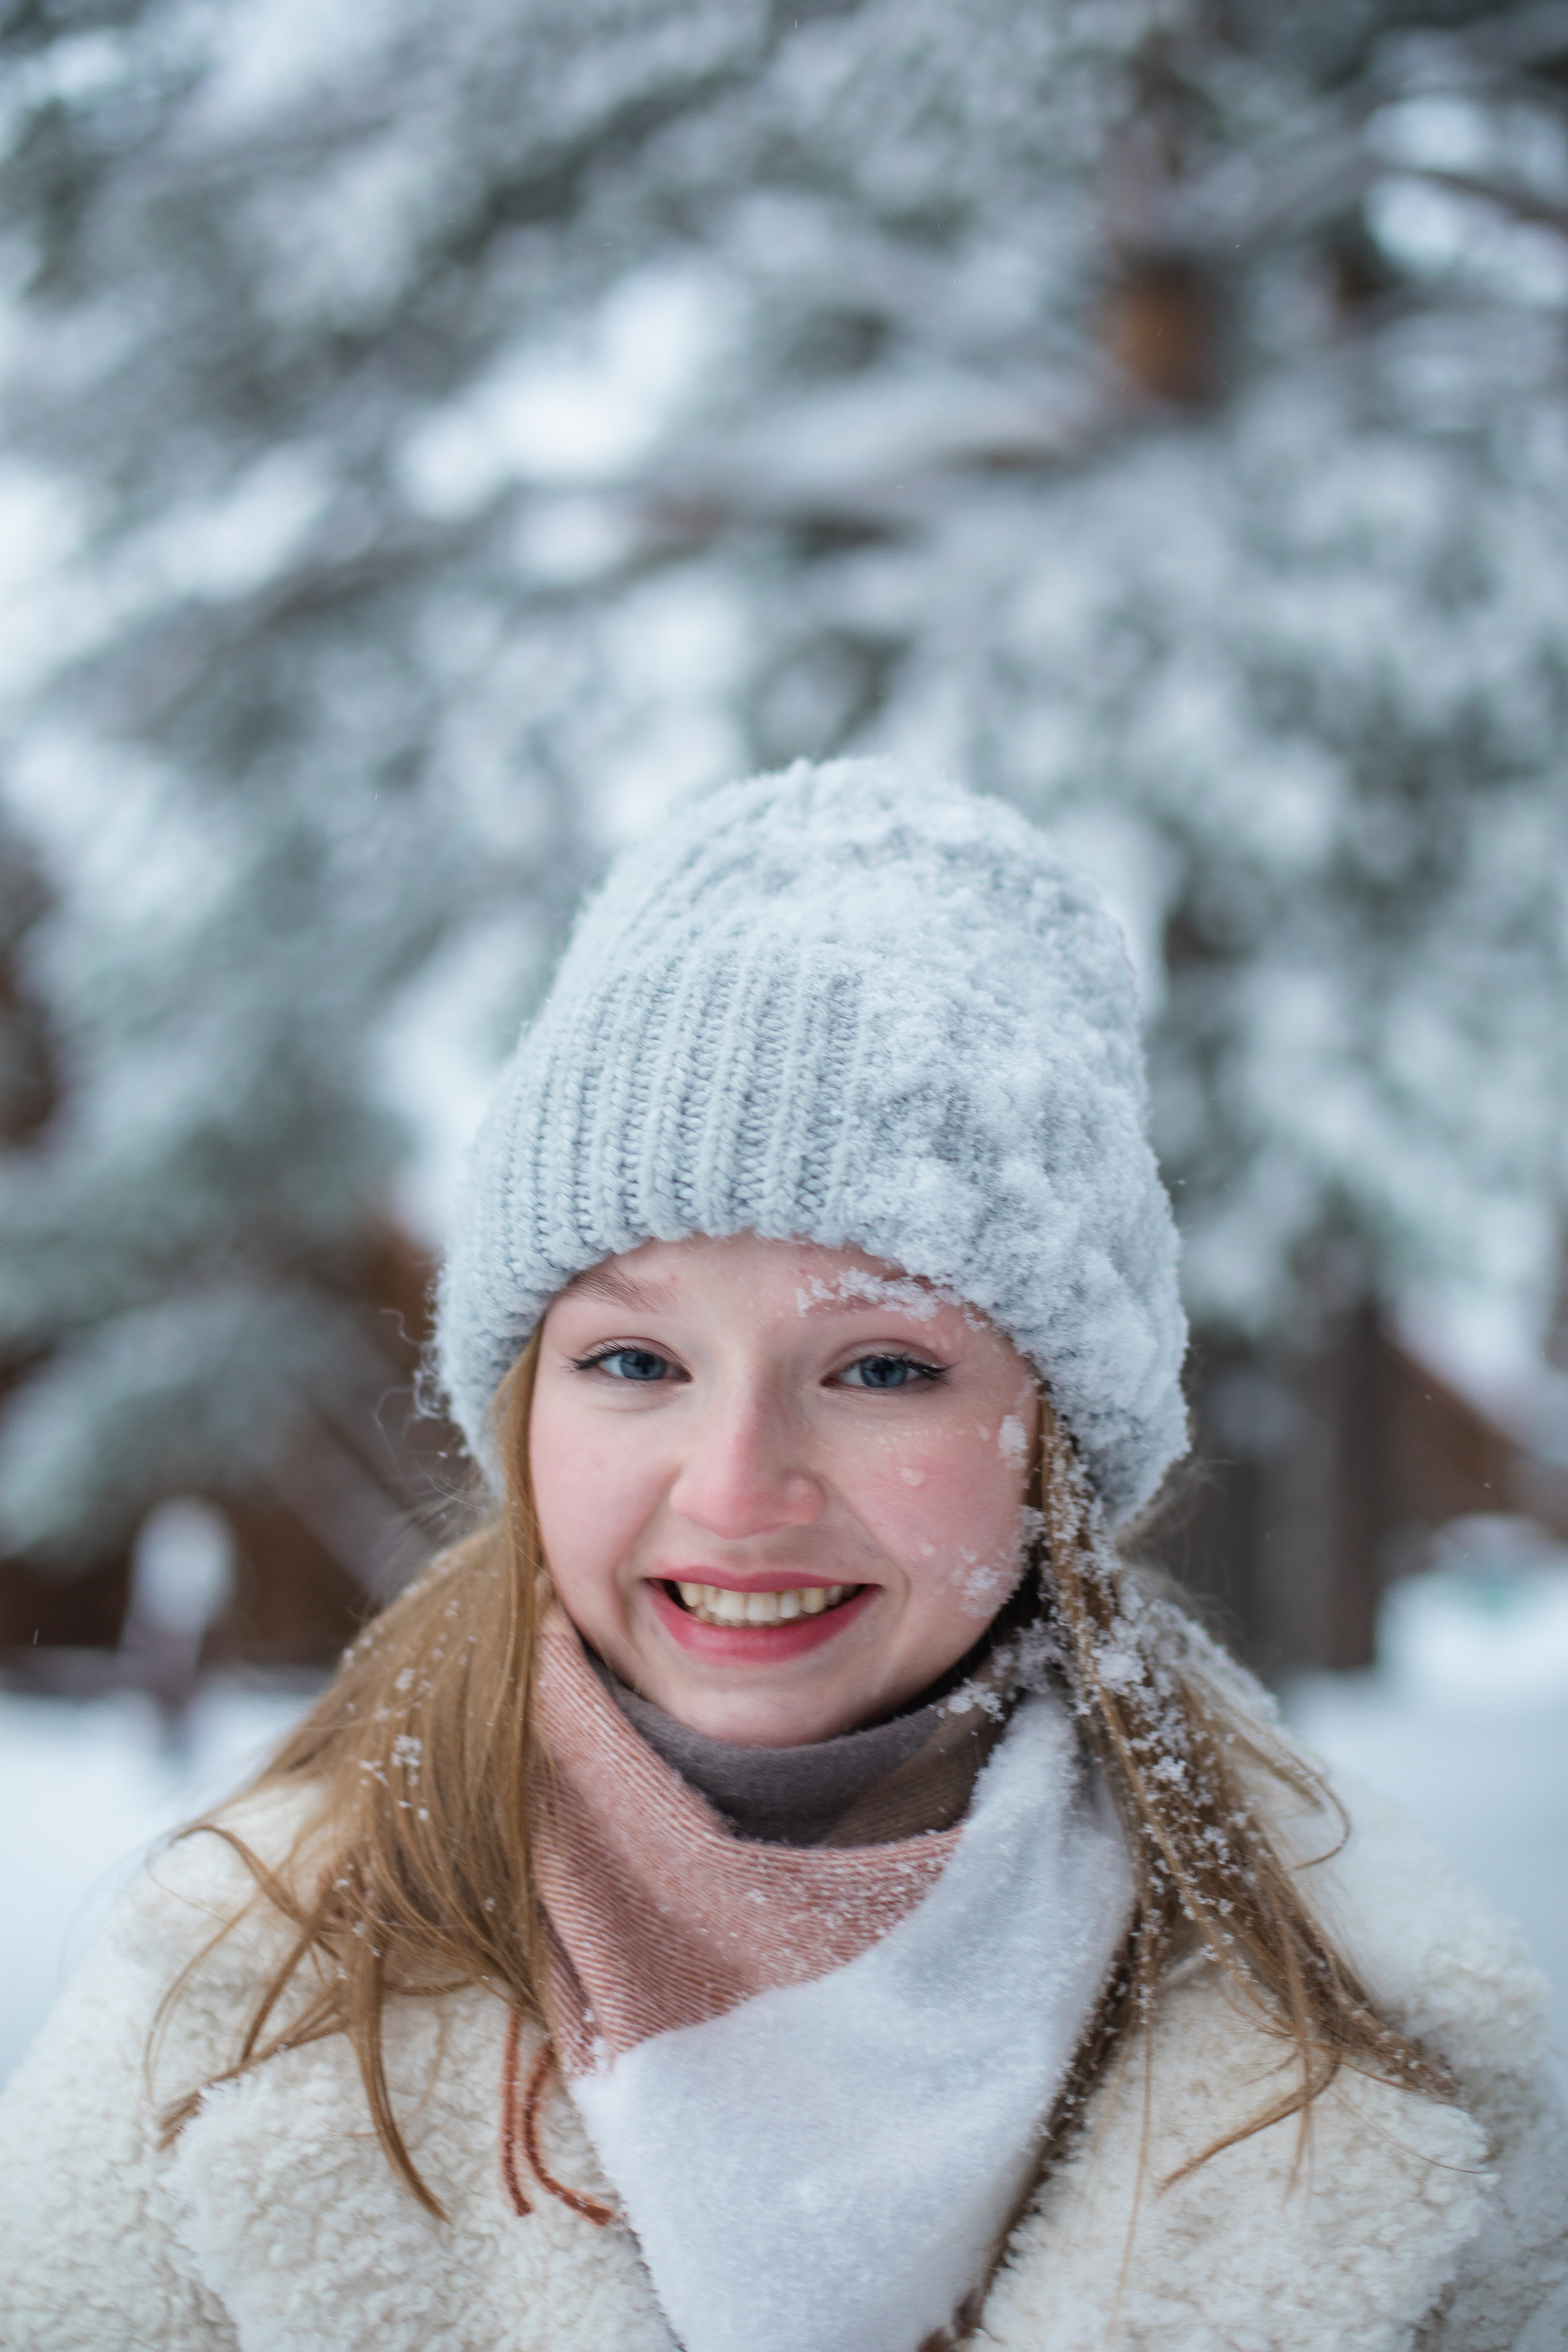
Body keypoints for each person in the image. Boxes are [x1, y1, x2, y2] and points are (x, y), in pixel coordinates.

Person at [1, 761, 1563, 2352]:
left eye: (881, 1368)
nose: (738, 1491)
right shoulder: (228, 2020)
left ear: (1056, 1444)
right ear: (525, 1413)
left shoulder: (1390, 2070)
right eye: (636, 1365)